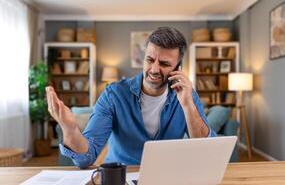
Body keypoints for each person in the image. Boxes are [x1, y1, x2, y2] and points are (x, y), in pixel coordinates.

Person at [46, 27, 217, 169]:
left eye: (164, 64)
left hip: (166, 176)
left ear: (178, 68)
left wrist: (187, 105)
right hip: (121, 175)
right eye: (150, 60)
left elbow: (204, 150)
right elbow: (86, 158)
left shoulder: (187, 94)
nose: (154, 69)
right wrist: (70, 129)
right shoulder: (114, 95)